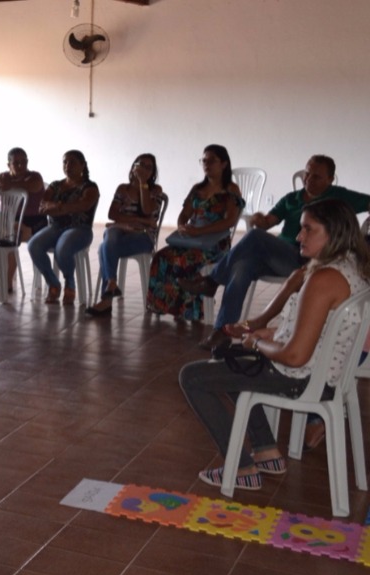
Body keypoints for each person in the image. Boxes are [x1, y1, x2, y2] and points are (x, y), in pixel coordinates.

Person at [179, 199, 370, 491]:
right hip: (324, 374)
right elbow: (317, 329)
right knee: (229, 360)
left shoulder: (325, 279)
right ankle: (266, 451)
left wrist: (256, 342)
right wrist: (270, 333)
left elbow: (294, 356)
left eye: (308, 229)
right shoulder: (349, 267)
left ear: (333, 233)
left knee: (192, 377)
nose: (299, 236)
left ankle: (241, 467)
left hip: (302, 378)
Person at [180, 155, 370, 350]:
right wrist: (259, 219)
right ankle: (222, 332)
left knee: (255, 237)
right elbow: (268, 222)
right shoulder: (291, 199)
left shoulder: (339, 197)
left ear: (330, 179)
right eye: (307, 174)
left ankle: (212, 282)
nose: (308, 180)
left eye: (317, 177)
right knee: (241, 267)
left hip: (305, 260)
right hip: (281, 257)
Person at [146, 145, 243, 321]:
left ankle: (192, 309)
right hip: (192, 239)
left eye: (211, 161)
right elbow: (184, 214)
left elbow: (229, 221)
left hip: (215, 244)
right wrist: (182, 226)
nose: (206, 164)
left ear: (224, 164)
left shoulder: (231, 190)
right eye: (204, 161)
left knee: (185, 260)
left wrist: (200, 231)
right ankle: (168, 305)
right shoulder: (197, 189)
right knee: (161, 257)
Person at [86, 154, 163, 316]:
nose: (144, 169)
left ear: (152, 173)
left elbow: (147, 211)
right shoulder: (122, 189)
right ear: (133, 167)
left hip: (143, 236)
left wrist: (142, 183)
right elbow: (112, 214)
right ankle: (111, 284)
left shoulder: (155, 190)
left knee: (104, 248)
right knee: (111, 233)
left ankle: (107, 297)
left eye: (148, 167)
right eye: (141, 165)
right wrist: (135, 222)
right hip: (120, 231)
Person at [27, 150, 99, 305]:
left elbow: (83, 206)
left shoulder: (90, 187)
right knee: (33, 245)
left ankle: (69, 283)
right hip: (55, 227)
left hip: (80, 229)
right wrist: (65, 207)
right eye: (65, 162)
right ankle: (53, 283)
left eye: (72, 162)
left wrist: (57, 206)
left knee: (63, 248)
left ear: (82, 165)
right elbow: (42, 207)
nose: (68, 165)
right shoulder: (55, 185)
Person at [0, 148, 45, 294]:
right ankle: (4, 238)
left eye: (23, 162)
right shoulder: (4, 177)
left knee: (9, 232)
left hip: (33, 222)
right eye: (16, 163)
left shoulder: (35, 177)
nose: (20, 166)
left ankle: (7, 283)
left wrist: (11, 184)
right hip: (9, 219)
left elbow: (33, 186)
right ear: (9, 165)